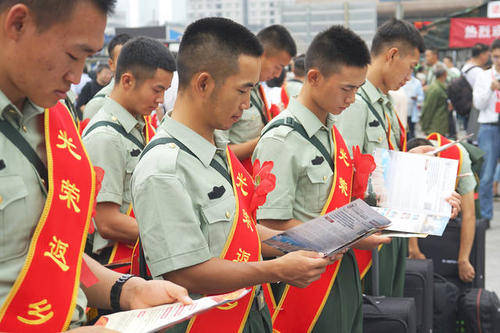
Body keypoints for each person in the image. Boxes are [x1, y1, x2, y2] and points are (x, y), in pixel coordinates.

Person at [131, 17, 335, 333]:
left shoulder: (217, 147)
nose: (245, 104)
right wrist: (276, 270)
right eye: (242, 91)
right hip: (203, 323)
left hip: (248, 311)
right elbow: (186, 272)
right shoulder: (164, 168)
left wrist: (308, 241)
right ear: (203, 83)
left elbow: (239, 229)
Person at [0, 1, 192, 332]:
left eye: (88, 57)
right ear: (18, 24)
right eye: (74, 55)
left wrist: (129, 290)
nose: (78, 76)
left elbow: (56, 250)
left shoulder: (53, 118)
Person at [253, 25, 391, 333]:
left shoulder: (331, 130)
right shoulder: (281, 139)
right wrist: (341, 236)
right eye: (346, 89)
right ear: (313, 77)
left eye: (357, 89)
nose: (353, 99)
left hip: (341, 269)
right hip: (303, 284)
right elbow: (271, 228)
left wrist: (357, 233)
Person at [335, 18, 425, 298]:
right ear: (392, 55)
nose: (410, 76)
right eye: (411, 67)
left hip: (389, 225)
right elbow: (346, 174)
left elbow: (382, 162)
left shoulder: (385, 103)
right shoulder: (356, 103)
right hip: (367, 232)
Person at [82, 37, 175, 268]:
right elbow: (107, 222)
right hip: (117, 265)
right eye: (157, 90)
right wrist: (174, 236)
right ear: (127, 80)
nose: (161, 100)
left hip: (139, 256)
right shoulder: (106, 137)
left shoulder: (138, 125)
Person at [217, 24, 296, 171]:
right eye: (278, 67)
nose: (278, 75)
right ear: (262, 54)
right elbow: (219, 154)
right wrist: (264, 140)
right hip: (237, 179)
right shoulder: (230, 90)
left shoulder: (258, 88)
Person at [407, 137, 477, 283]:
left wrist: (463, 259)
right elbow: (407, 205)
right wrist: (413, 247)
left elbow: (469, 214)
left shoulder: (459, 158)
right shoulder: (408, 156)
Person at [472, 38, 500, 225]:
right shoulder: (484, 76)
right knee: (487, 175)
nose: (499, 60)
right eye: (496, 56)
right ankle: (485, 216)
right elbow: (478, 104)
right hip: (490, 127)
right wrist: (490, 89)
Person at [83, 33, 132, 120]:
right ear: (111, 64)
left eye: (134, 60)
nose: (129, 65)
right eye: (123, 61)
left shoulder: (144, 100)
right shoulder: (98, 105)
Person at [420, 64, 450, 136]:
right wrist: (425, 127)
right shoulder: (435, 89)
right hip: (434, 127)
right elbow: (428, 109)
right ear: (445, 74)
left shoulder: (440, 87)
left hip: (439, 125)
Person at [402, 72, 424, 139]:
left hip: (412, 111)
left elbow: (421, 96)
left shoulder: (417, 82)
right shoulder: (401, 80)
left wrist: (416, 98)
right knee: (404, 131)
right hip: (403, 111)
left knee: (412, 130)